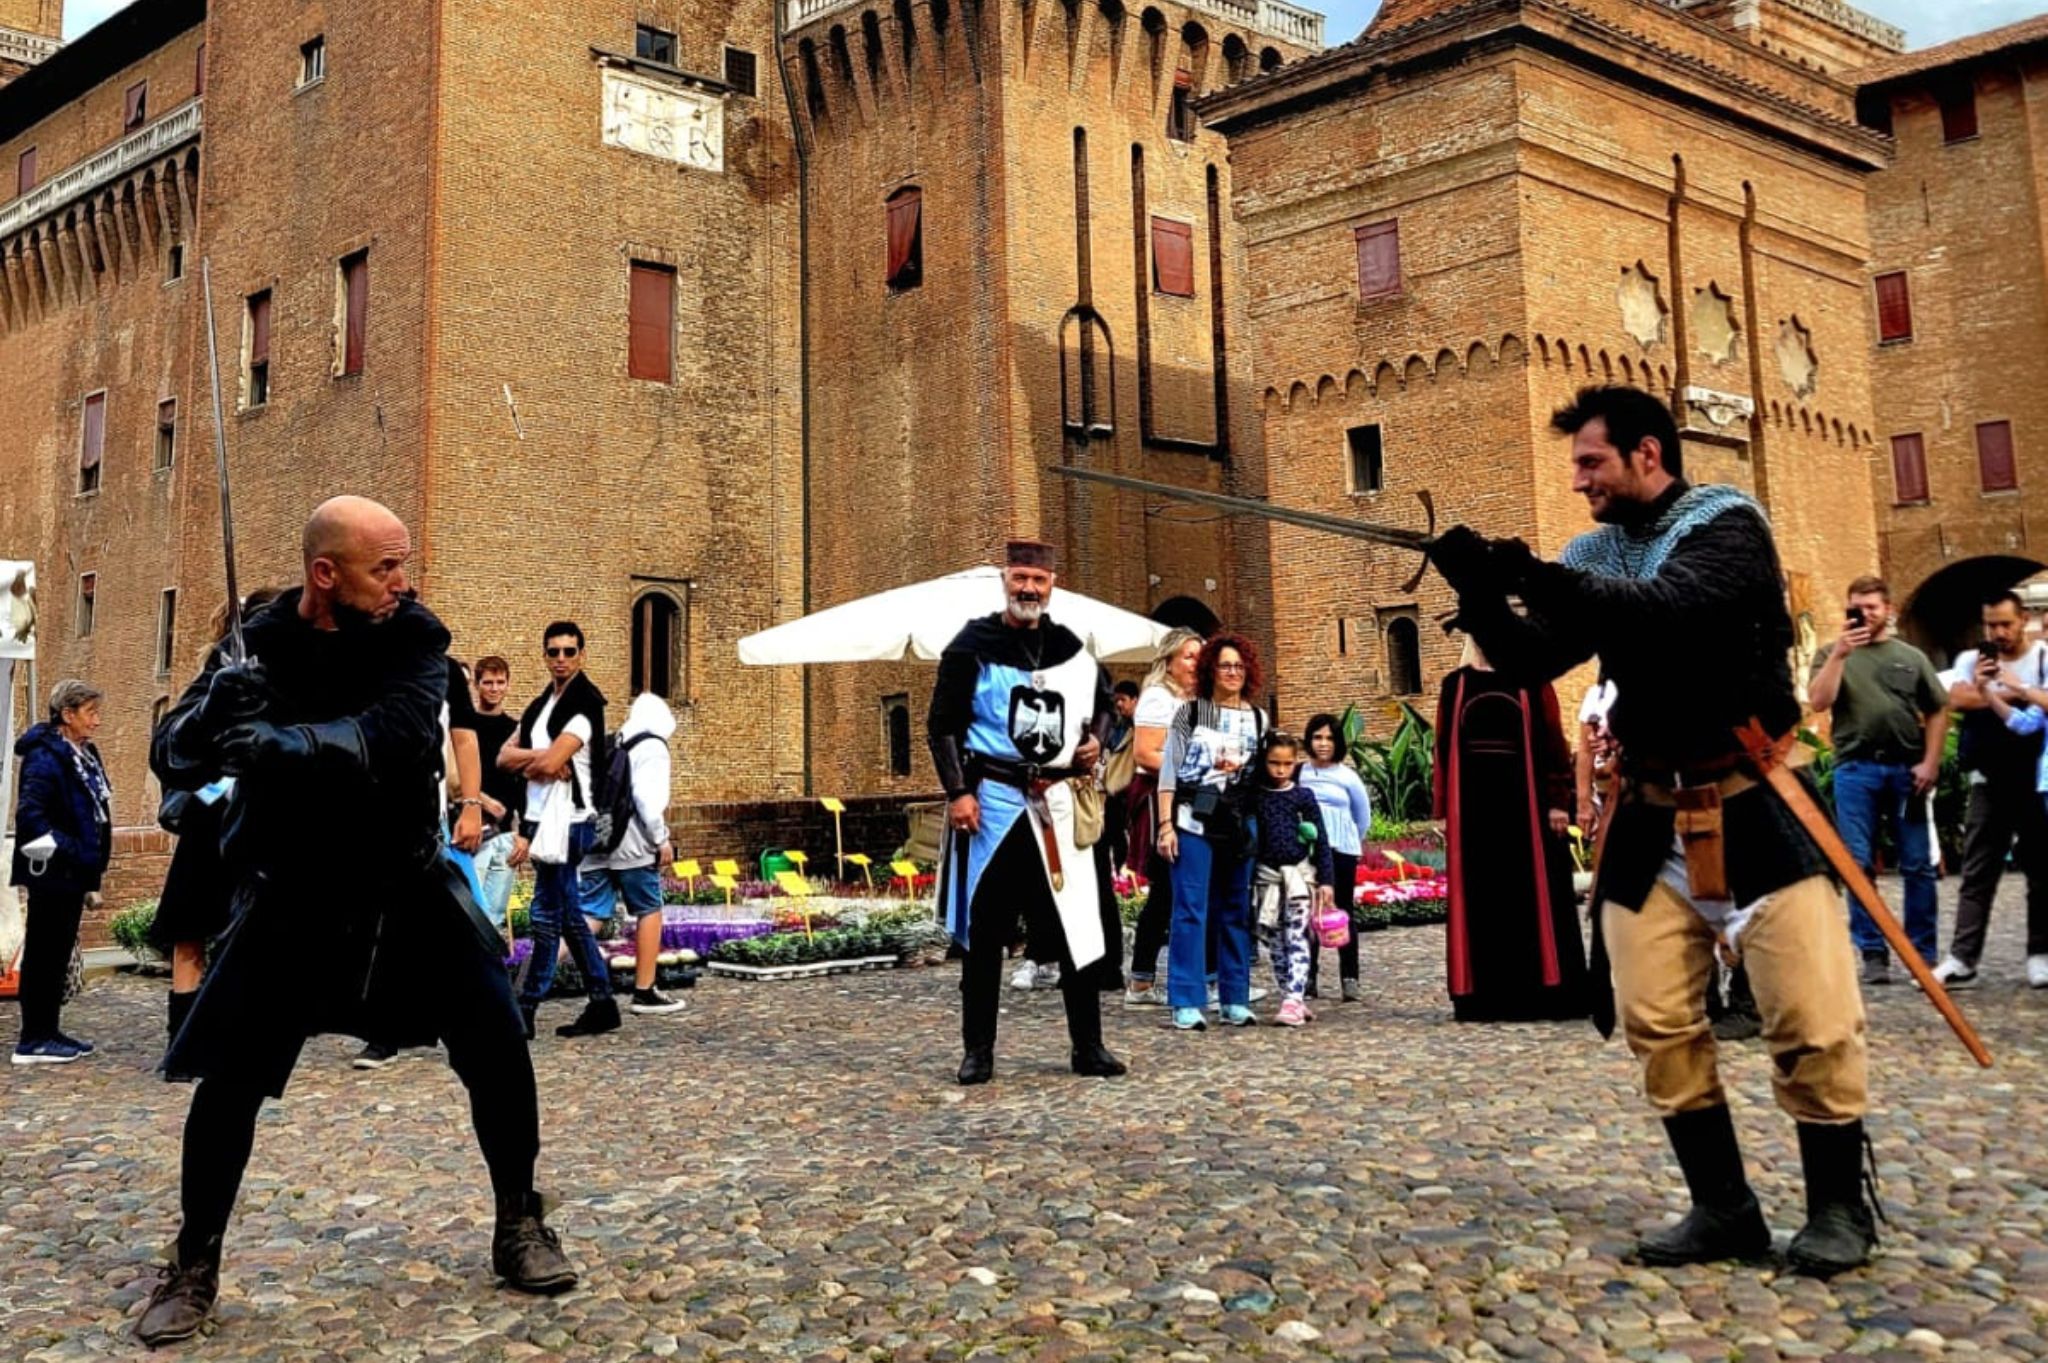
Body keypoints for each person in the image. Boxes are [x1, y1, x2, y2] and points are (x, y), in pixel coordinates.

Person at [1430, 385, 1875, 1277]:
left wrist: (1534, 575)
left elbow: (1672, 611)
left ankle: (1838, 1209)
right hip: (1650, 815)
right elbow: (1530, 661)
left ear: (1646, 453)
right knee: (1657, 1020)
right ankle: (1724, 1208)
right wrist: (1481, 594)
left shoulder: (1727, 525)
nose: (1578, 482)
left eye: (1591, 462)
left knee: (1813, 1019)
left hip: (1753, 801)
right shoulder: (1593, 551)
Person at [135, 496, 574, 1347]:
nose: (403, 583)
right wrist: (213, 707)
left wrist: (284, 743)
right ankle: (194, 1261)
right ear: (324, 573)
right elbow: (173, 756)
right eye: (386, 568)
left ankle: (520, 1219)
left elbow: (398, 731)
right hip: (290, 895)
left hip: (406, 891)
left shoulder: (415, 638)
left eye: (404, 564)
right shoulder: (254, 643)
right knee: (228, 1085)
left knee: (497, 1048)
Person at [929, 539, 1126, 1086]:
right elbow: (941, 725)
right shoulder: (971, 645)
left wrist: (1097, 742)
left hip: (1057, 804)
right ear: (1005, 581)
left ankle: (1088, 1046)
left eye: (1038, 581)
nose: (1028, 589)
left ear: (1051, 585)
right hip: (993, 801)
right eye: (1020, 578)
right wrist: (957, 792)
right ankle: (978, 1051)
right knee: (985, 928)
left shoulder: (1070, 647)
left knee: (1075, 929)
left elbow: (1105, 705)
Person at [149, 589, 284, 1051]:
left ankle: (238, 1033)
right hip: (210, 821)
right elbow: (178, 746)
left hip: (256, 822)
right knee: (191, 933)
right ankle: (183, 1038)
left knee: (248, 939)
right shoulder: (217, 680)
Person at [1431, 636, 1589, 1023]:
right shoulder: (1457, 685)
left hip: (1527, 810)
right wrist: (1443, 809)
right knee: (1485, 900)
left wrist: (1557, 800)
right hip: (1475, 813)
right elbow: (1443, 747)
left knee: (1528, 897)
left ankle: (1541, 993)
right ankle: (1485, 998)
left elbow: (1553, 739)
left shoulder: (1531, 679)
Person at [1806, 576, 1949, 984]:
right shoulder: (1831, 653)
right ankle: (1873, 952)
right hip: (1856, 769)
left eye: (1872, 607)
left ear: (1888, 610)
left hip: (1908, 771)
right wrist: (1840, 656)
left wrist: (1931, 762)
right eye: (1857, 607)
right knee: (1857, 864)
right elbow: (1818, 701)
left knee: (1918, 864)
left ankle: (1921, 953)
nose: (1865, 614)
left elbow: (1938, 709)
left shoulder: (1910, 657)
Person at [498, 622, 617, 1039]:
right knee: (567, 917)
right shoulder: (540, 706)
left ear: (582, 655)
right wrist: (541, 756)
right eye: (554, 652)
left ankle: (524, 1008)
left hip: (570, 823)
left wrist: (538, 761)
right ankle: (603, 1002)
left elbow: (548, 765)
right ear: (545, 656)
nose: (561, 659)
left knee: (546, 915)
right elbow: (503, 758)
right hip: (544, 820)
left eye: (569, 652)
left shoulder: (585, 704)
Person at [1156, 632, 1268, 1031]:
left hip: (1237, 823)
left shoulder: (1258, 718)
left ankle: (1234, 995)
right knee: (1190, 909)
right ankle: (1186, 998)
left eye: (1239, 665)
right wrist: (1165, 824)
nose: (1233, 672)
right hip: (1193, 819)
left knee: (1236, 909)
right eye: (1225, 665)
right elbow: (1168, 773)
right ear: (1211, 670)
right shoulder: (1190, 714)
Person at [1938, 590, 2048, 989]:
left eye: (2005, 623)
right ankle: (1962, 958)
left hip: (2034, 778)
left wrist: (1992, 692)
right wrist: (2009, 690)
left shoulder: (2041, 658)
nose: (1998, 632)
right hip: (1988, 777)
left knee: (2040, 870)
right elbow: (1953, 696)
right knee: (1977, 870)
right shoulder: (1971, 659)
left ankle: (2040, 953)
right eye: (1991, 625)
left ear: (2023, 620)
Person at [9, 679, 112, 1065]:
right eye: (90, 713)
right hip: (53, 872)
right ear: (67, 715)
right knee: (44, 953)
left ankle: (47, 1031)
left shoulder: (83, 754)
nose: (97, 722)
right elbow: (31, 816)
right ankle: (33, 1038)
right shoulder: (45, 757)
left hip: (72, 873)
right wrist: (74, 851)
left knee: (55, 952)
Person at [578, 692, 687, 1015]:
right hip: (634, 845)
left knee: (589, 915)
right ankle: (645, 989)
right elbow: (647, 801)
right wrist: (661, 839)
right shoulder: (652, 745)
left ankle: (532, 978)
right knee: (649, 908)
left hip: (600, 839)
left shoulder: (617, 740)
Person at [1122, 628, 1204, 1006]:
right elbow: (1146, 754)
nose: (1195, 663)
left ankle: (1146, 977)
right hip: (1162, 799)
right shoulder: (1158, 698)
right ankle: (1143, 979)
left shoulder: (1198, 700)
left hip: (1193, 797)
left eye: (1199, 656)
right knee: (1168, 889)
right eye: (1188, 656)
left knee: (1174, 891)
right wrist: (1192, 772)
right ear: (1169, 661)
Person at [1250, 733, 1334, 1026]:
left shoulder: (1303, 797)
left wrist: (1326, 881)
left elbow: (1320, 839)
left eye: (1287, 763)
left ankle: (1294, 999)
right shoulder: (1256, 796)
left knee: (1297, 937)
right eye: (1274, 763)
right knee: (1274, 942)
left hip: (1299, 877)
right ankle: (1289, 992)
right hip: (1268, 879)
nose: (1281, 770)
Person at [1299, 713, 1371, 1003]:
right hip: (1308, 850)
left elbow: (1362, 815)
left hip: (1341, 850)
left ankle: (1349, 976)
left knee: (1342, 911)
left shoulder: (1347, 776)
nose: (1323, 743)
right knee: (1306, 913)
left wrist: (1350, 840)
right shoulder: (1300, 773)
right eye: (1317, 737)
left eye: (1329, 738)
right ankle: (1308, 976)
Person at [469, 655, 524, 929]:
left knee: (495, 917)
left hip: (505, 834)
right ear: (477, 685)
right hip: (471, 830)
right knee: (470, 910)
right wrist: (482, 801)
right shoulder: (465, 727)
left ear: (507, 685)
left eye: (500, 682)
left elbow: (524, 785)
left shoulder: (514, 730)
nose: (494, 688)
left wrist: (524, 834)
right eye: (488, 682)